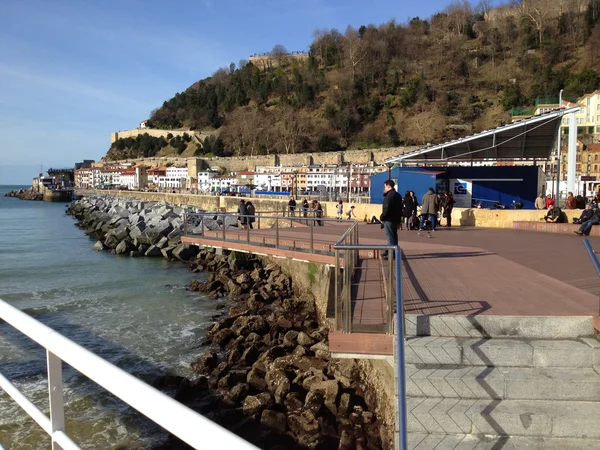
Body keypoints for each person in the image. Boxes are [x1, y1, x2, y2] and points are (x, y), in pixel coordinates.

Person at [380, 180, 403, 259]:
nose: (384, 188)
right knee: (394, 237)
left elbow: (387, 208)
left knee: (390, 237)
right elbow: (400, 209)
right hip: (395, 219)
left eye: (385, 186)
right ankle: (392, 252)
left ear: (389, 186)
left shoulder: (389, 196)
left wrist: (382, 217)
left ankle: (391, 254)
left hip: (389, 219)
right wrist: (399, 220)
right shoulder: (398, 195)